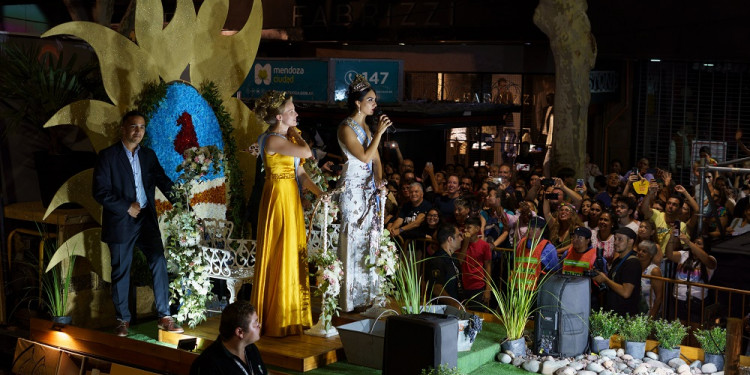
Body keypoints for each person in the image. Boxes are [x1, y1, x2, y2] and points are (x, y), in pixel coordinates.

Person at [93, 110, 183, 337]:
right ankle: (122, 320)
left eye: (142, 127)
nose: (138, 131)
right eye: (134, 126)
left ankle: (165, 316)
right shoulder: (108, 156)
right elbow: (99, 192)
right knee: (121, 271)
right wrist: (125, 206)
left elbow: (163, 180)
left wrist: (183, 204)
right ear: (123, 128)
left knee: (158, 260)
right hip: (122, 221)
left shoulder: (148, 156)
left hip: (146, 219)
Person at [250, 91, 322, 337]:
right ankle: (275, 316)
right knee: (278, 251)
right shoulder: (272, 140)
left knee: (292, 252)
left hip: (291, 196)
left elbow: (301, 173)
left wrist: (320, 193)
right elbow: (307, 154)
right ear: (279, 116)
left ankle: (293, 315)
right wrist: (297, 135)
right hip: (278, 197)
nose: (297, 114)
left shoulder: (286, 136)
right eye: (292, 111)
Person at [337, 74, 392, 312]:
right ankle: (350, 299)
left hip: (369, 191)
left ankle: (368, 295)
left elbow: (377, 160)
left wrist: (380, 182)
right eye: (370, 100)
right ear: (358, 103)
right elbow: (364, 156)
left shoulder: (366, 128)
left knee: (370, 239)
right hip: (352, 192)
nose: (374, 104)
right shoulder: (346, 128)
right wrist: (379, 133)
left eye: (375, 100)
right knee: (353, 239)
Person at [189, 301, 266, 375]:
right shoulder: (209, 365)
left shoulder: (251, 348)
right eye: (255, 322)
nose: (259, 325)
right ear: (240, 332)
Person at [666, 233, 716, 325]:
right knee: (677, 330)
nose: (695, 245)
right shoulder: (684, 255)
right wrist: (671, 238)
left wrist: (688, 242)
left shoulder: (710, 259)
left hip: (697, 302)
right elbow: (669, 254)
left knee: (693, 331)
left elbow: (709, 262)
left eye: (699, 243)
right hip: (678, 299)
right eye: (694, 242)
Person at [593, 227, 641, 317]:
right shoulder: (618, 260)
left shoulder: (633, 263)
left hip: (624, 316)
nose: (615, 242)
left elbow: (626, 292)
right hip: (613, 313)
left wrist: (605, 280)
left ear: (630, 241)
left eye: (620, 239)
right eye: (615, 239)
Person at [513, 216, 560, 289]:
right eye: (529, 227)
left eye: (534, 228)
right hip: (517, 289)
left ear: (542, 230)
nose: (530, 230)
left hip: (536, 291)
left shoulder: (549, 248)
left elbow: (554, 270)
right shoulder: (521, 244)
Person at [456, 217, 492, 310]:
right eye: (465, 227)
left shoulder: (484, 245)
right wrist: (466, 243)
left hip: (478, 285)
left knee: (476, 313)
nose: (465, 230)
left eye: (469, 227)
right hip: (463, 284)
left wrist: (488, 289)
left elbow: (488, 267)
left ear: (477, 229)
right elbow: (459, 261)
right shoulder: (461, 243)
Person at [424, 224, 463, 307]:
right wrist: (453, 303)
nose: (461, 238)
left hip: (454, 307)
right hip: (442, 310)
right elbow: (436, 288)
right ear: (450, 239)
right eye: (458, 236)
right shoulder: (437, 261)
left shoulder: (454, 258)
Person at [636, 240, 663, 318]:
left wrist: (652, 316)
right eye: (639, 250)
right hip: (635, 311)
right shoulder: (635, 267)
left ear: (651, 255)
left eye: (644, 251)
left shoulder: (654, 271)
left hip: (649, 313)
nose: (640, 253)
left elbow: (659, 297)